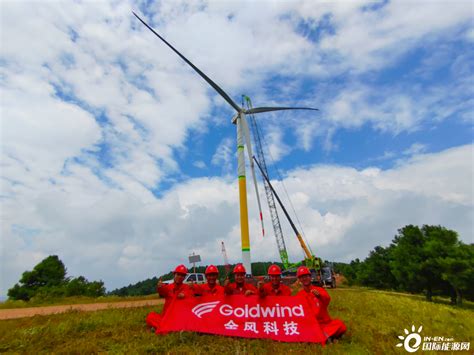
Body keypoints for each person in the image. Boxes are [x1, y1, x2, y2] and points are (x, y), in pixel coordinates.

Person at [296, 266, 347, 341]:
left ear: (310, 277)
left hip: (325, 324)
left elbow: (327, 300)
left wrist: (320, 296)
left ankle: (322, 336)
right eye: (302, 277)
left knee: (340, 325)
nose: (304, 278)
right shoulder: (299, 295)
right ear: (299, 279)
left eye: (306, 276)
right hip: (311, 325)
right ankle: (327, 336)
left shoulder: (320, 290)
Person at [146, 264, 194, 331]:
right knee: (150, 316)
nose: (180, 277)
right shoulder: (168, 287)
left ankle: (163, 328)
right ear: (174, 275)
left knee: (187, 321)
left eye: (182, 275)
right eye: (178, 274)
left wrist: (185, 295)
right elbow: (162, 292)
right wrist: (159, 287)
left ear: (184, 277)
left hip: (179, 318)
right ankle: (167, 327)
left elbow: (189, 296)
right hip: (166, 318)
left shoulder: (187, 287)